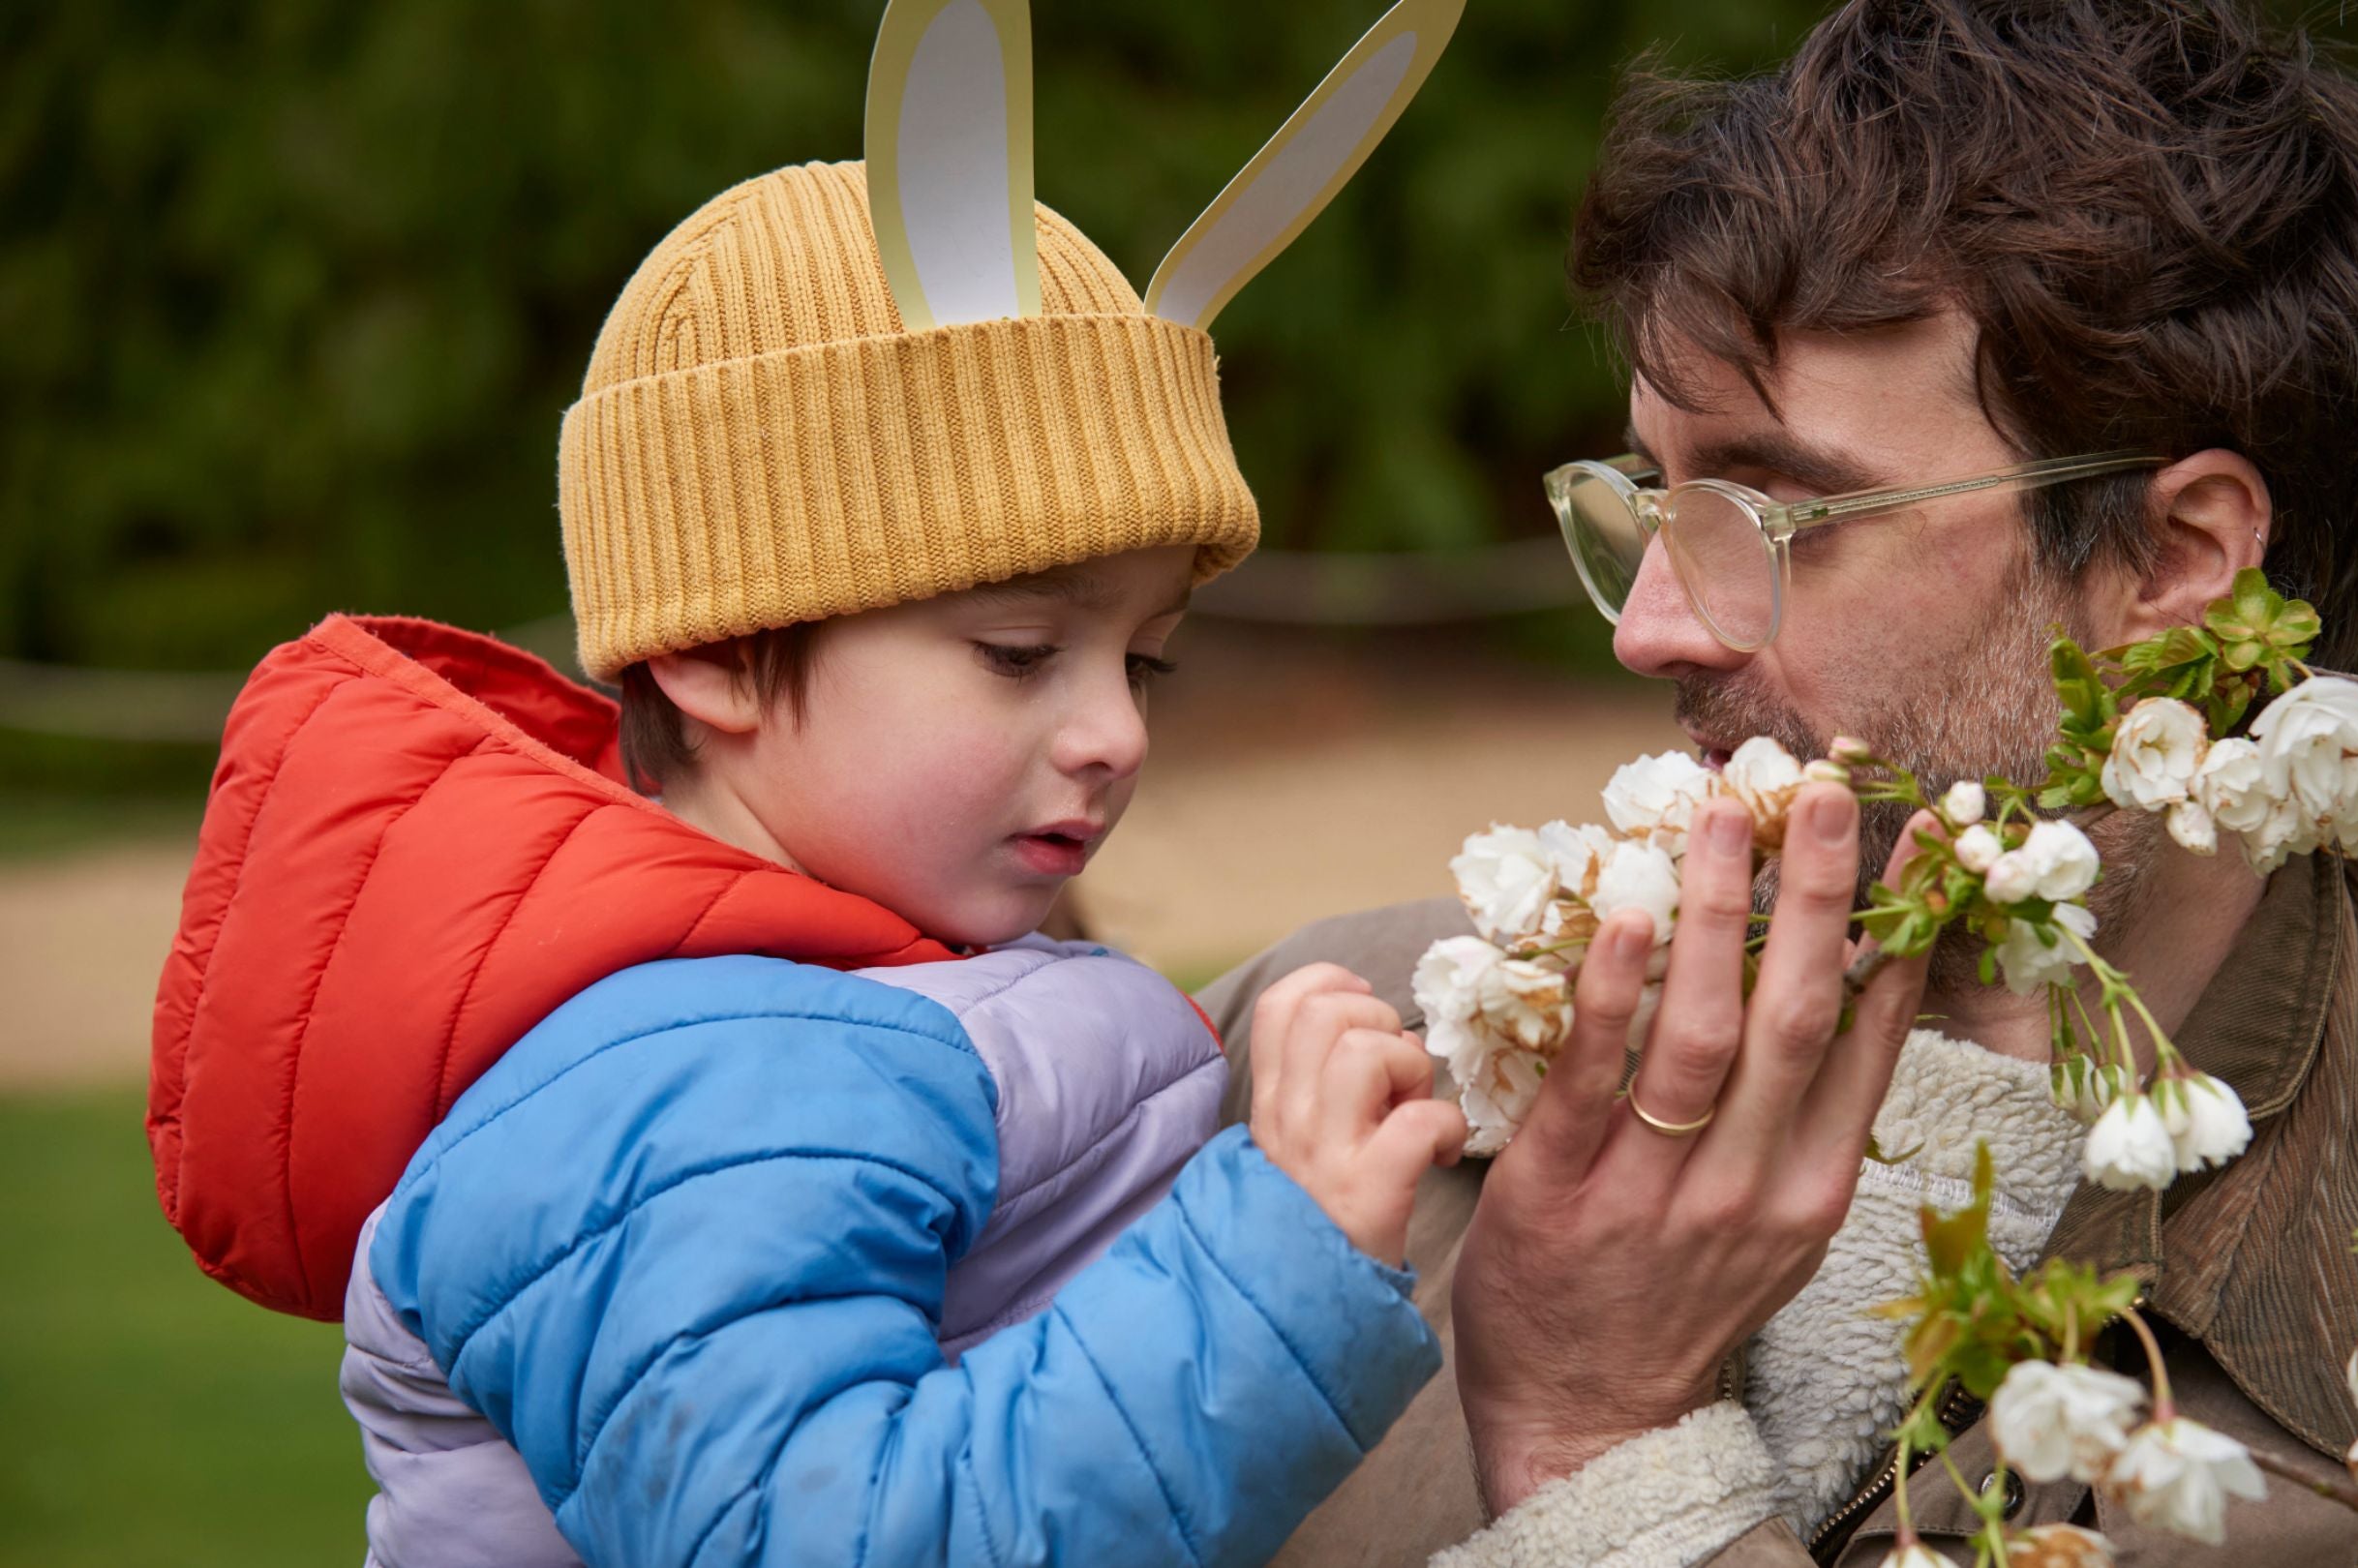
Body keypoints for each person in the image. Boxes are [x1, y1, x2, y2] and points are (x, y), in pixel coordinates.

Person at [1192, 2, 2358, 1563]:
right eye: (1649, 500)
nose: (1655, 626)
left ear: (2178, 561)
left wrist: (1603, 1452)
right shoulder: (1332, 1059)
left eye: (1776, 516)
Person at [142, 3, 1497, 1556]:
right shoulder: (673, 1089)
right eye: (1014, 651)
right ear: (716, 650)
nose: (1115, 730)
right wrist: (1278, 1262)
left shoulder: (825, 1009)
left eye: (1146, 658)